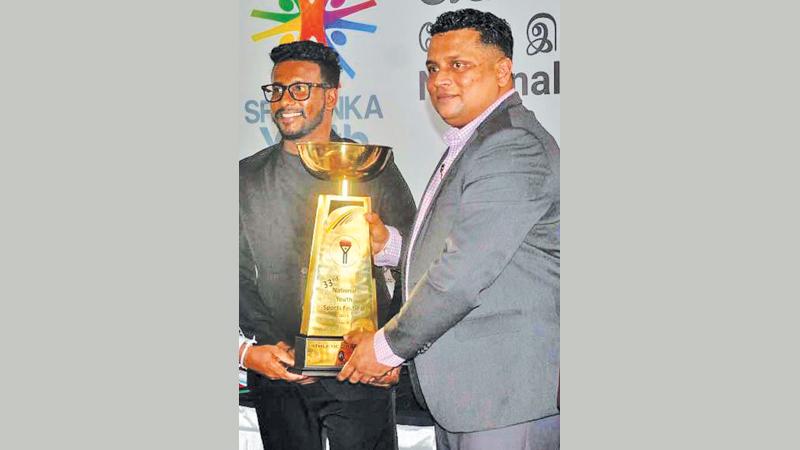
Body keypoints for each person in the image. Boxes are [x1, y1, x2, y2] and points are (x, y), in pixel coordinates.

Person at [337, 9, 560, 450]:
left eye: (459, 65)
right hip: (472, 396)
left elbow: (460, 276)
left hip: (505, 399)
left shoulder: (512, 144)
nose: (440, 80)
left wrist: (383, 348)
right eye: (434, 68)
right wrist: (390, 246)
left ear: (502, 71)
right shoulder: (475, 140)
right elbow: (466, 252)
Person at [239, 40, 416, 450]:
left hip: (359, 372)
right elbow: (237, 275)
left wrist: (387, 346)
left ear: (331, 95)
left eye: (300, 89)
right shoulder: (246, 178)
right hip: (278, 373)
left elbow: (414, 261)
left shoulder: (372, 167)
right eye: (277, 90)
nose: (285, 101)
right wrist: (267, 344)